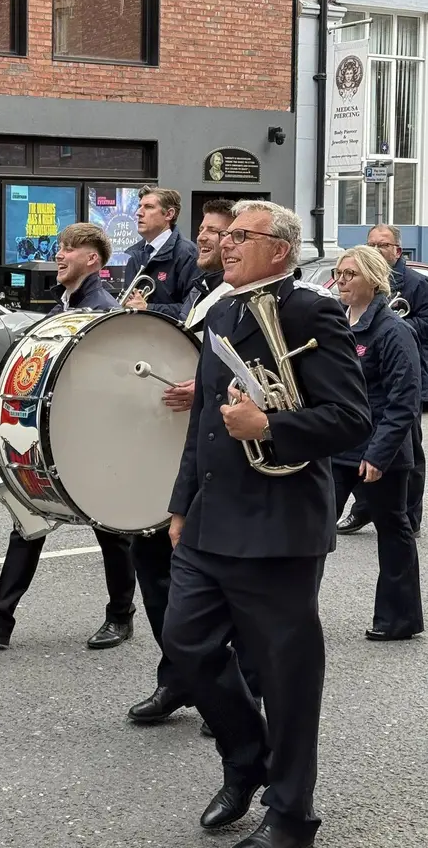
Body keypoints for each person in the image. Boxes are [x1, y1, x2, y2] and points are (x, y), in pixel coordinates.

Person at [161, 200, 371, 848]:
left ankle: (291, 816)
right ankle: (246, 761)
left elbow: (351, 418)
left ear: (278, 249)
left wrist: (270, 427)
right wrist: (179, 503)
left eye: (239, 237)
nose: (223, 244)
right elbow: (201, 427)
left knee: (287, 679)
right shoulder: (221, 310)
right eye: (224, 237)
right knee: (185, 647)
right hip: (210, 520)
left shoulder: (311, 310)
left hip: (280, 525)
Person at [0, 223, 137, 650]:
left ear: (94, 260)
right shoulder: (64, 306)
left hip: (89, 435)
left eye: (70, 249)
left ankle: (121, 616)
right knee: (28, 516)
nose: (60, 255)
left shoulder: (99, 308)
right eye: (60, 247)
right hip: (58, 433)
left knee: (112, 531)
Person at [128, 198, 262, 733]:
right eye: (205, 231)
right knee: (154, 564)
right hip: (183, 454)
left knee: (230, 585)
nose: (207, 239)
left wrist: (204, 387)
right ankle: (182, 675)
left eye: (220, 233)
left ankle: (236, 689)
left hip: (229, 460)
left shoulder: (251, 301)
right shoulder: (203, 292)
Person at [331, 246, 423, 641]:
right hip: (338, 447)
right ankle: (293, 613)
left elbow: (404, 401)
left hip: (379, 451)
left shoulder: (393, 330)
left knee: (393, 530)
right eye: (338, 274)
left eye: (349, 274)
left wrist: (378, 454)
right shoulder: (337, 323)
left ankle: (399, 618)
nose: (341, 282)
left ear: (372, 278)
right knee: (313, 529)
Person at [339, 224, 428, 537]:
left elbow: (402, 401)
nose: (341, 281)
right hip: (347, 436)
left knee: (409, 452)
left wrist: (399, 321)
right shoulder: (339, 316)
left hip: (407, 375)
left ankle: (410, 515)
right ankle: (364, 510)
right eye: (372, 244)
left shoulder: (414, 286)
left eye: (383, 245)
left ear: (397, 250)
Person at [123, 186, 200, 311]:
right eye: (139, 206)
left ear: (169, 214)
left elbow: (193, 310)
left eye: (149, 207)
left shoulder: (187, 254)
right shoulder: (135, 255)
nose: (139, 213)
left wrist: (148, 308)